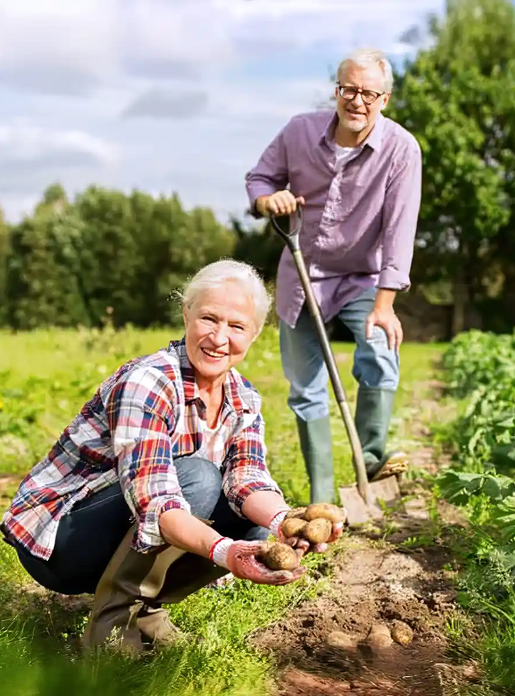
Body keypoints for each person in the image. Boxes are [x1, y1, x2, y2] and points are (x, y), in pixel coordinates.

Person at [0, 259, 342, 654]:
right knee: (198, 478)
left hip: (127, 523)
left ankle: (146, 611)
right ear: (186, 314)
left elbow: (247, 478)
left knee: (255, 527)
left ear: (255, 334)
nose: (218, 337)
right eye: (209, 318)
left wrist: (285, 520)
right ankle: (108, 631)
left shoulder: (244, 397)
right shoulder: (149, 381)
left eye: (236, 326)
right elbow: (155, 498)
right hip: (59, 540)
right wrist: (223, 552)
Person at [245, 47, 422, 504]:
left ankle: (373, 461)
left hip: (363, 278)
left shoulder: (401, 148)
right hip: (302, 278)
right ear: (337, 90)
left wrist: (385, 304)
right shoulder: (299, 131)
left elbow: (400, 228)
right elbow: (260, 179)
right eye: (348, 89)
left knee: (380, 352)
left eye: (368, 93)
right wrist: (269, 202)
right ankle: (323, 498)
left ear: (385, 98)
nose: (357, 101)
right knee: (306, 390)